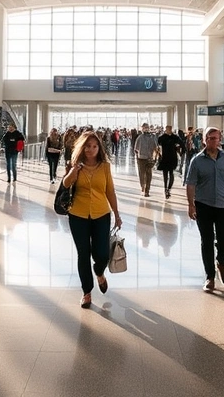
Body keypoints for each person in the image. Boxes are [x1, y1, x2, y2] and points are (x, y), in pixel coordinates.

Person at [61, 131, 122, 309]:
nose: (90, 150)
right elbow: (65, 184)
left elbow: (110, 191)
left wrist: (117, 215)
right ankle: (87, 292)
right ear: (82, 147)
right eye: (87, 146)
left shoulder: (105, 167)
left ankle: (99, 272)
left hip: (101, 214)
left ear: (99, 148)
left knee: (101, 254)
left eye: (94, 146)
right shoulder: (75, 165)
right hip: (77, 215)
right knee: (83, 253)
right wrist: (73, 172)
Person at [185, 126, 224, 292]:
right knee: (207, 241)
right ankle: (210, 276)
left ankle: (221, 263)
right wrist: (190, 204)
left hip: (223, 205)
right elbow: (191, 183)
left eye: (215, 138)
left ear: (220, 139)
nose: (213, 141)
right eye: (209, 138)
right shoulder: (197, 160)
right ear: (204, 140)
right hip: (203, 205)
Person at [156, 125, 184, 199]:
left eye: (170, 129)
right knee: (166, 174)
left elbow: (181, 144)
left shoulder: (174, 137)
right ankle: (166, 189)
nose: (169, 130)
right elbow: (158, 146)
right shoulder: (163, 137)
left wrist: (180, 151)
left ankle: (168, 189)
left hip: (171, 158)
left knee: (171, 173)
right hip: (165, 158)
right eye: (168, 129)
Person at [134, 122, 158, 197]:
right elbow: (136, 149)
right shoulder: (140, 138)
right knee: (142, 174)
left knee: (148, 175)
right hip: (141, 158)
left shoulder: (152, 138)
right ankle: (143, 186)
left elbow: (155, 148)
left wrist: (155, 157)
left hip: (149, 158)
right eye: (144, 127)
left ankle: (147, 190)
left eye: (147, 127)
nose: (146, 129)